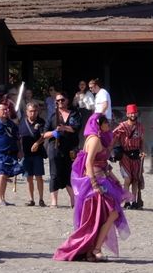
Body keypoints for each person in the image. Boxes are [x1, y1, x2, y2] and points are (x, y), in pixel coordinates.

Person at [54, 112, 130, 261]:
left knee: (104, 215)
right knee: (110, 213)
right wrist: (95, 185)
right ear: (99, 125)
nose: (108, 125)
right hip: (95, 182)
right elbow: (89, 163)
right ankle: (95, 249)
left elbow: (102, 163)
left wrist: (113, 178)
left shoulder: (99, 138)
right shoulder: (94, 139)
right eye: (106, 123)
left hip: (103, 179)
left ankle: (93, 250)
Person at [44, 92, 79, 208]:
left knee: (70, 173)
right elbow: (44, 133)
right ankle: (54, 201)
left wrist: (64, 128)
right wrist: (54, 133)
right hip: (55, 148)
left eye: (62, 100)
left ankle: (73, 201)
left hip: (70, 148)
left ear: (67, 100)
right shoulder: (52, 116)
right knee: (54, 173)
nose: (60, 102)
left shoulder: (74, 114)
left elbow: (76, 128)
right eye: (57, 101)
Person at [112, 104, 147, 209]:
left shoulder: (140, 127)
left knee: (136, 180)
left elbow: (142, 141)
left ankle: (134, 201)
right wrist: (111, 151)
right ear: (127, 114)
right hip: (125, 156)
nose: (133, 114)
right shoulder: (122, 126)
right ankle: (127, 201)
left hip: (136, 155)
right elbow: (113, 137)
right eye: (131, 113)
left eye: (134, 112)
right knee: (127, 179)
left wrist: (143, 152)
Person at [17, 100, 48, 206]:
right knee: (28, 177)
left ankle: (41, 199)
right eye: (30, 111)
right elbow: (18, 137)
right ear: (26, 111)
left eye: (34, 111)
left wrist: (37, 143)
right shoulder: (21, 122)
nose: (32, 113)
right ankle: (31, 199)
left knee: (39, 176)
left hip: (37, 154)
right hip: (25, 153)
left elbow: (44, 136)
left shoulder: (41, 122)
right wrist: (19, 151)